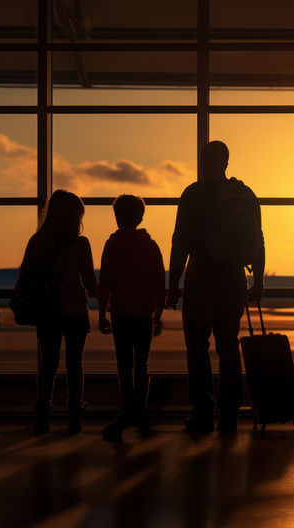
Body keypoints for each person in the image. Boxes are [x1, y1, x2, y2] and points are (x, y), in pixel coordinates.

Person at [166, 140, 265, 433]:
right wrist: (257, 280)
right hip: (234, 279)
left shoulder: (194, 193)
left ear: (203, 161)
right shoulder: (245, 194)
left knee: (197, 348)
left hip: (201, 278)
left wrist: (173, 284)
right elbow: (258, 240)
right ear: (226, 161)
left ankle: (203, 412)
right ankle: (231, 413)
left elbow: (180, 241)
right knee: (228, 347)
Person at [17, 189, 97, 434]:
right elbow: (91, 284)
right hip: (74, 310)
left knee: (48, 365)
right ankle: (74, 416)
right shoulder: (81, 244)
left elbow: (25, 277)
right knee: (75, 365)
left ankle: (42, 414)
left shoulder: (37, 242)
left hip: (48, 311)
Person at [98, 195, 166, 441]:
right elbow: (160, 283)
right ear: (140, 217)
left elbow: (105, 281)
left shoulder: (112, 245)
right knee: (142, 365)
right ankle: (140, 412)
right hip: (143, 314)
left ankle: (128, 410)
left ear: (117, 217)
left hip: (121, 313)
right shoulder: (151, 245)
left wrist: (101, 315)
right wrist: (157, 315)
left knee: (124, 365)